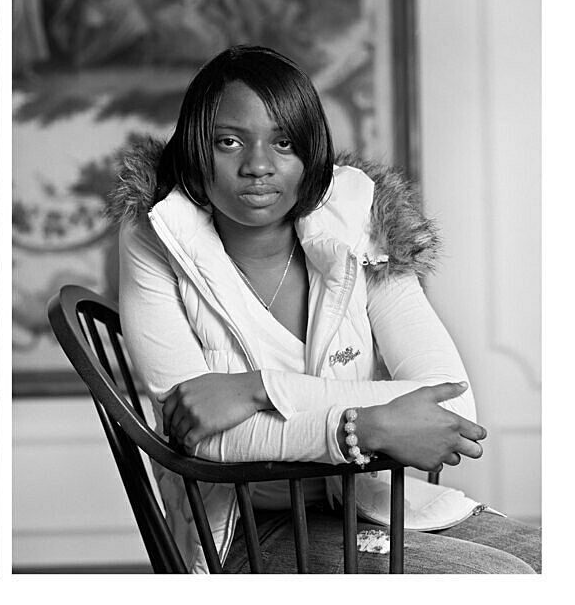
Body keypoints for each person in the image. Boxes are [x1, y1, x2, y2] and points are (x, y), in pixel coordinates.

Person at [109, 45, 540, 573]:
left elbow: (452, 403)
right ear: (197, 150)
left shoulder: (357, 221)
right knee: (504, 580)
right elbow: (203, 433)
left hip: (368, 501)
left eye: (283, 142)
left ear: (310, 151)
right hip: (248, 524)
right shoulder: (157, 235)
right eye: (229, 142)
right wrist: (368, 429)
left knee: (549, 562)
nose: (258, 166)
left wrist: (258, 389)